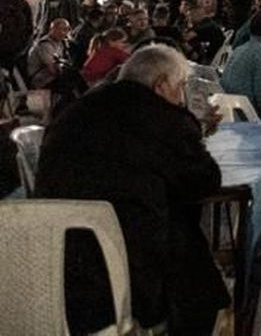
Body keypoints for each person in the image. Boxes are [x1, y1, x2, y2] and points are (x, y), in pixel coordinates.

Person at [35, 45, 229, 333]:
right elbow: (203, 181)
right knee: (195, 268)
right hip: (126, 266)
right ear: (162, 85)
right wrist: (192, 128)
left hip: (56, 259)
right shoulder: (164, 119)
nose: (181, 96)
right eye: (180, 87)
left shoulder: (77, 111)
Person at [27, 17, 72, 88]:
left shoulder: (61, 44)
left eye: (65, 30)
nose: (62, 32)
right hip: (40, 79)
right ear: (51, 29)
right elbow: (52, 69)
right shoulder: (45, 44)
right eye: (59, 29)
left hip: (51, 77)